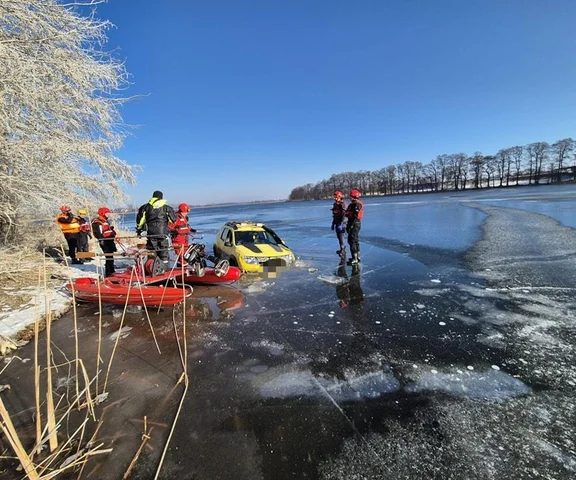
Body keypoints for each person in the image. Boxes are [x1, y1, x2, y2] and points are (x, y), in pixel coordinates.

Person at [135, 190, 176, 268]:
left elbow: (140, 221)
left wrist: (139, 230)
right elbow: (173, 220)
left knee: (152, 251)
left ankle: (152, 268)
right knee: (163, 251)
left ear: (153, 197)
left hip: (151, 233)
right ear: (161, 197)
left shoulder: (145, 207)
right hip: (163, 233)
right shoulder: (166, 208)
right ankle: (165, 269)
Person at [92, 207, 117, 277]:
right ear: (102, 213)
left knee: (111, 257)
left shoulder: (105, 221)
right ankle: (108, 273)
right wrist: (102, 240)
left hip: (109, 241)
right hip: (105, 242)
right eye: (107, 213)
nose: (108, 214)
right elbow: (99, 233)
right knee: (108, 257)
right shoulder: (97, 223)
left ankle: (112, 270)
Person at [345, 189, 364, 265]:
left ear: (354, 196)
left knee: (352, 240)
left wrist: (351, 225)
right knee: (355, 240)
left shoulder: (356, 204)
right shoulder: (352, 204)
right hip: (353, 223)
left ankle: (355, 258)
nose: (350, 197)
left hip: (354, 224)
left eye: (351, 196)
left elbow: (355, 216)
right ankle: (357, 257)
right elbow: (347, 213)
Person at [331, 190, 347, 257]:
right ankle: (342, 248)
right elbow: (335, 215)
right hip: (337, 222)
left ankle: (343, 250)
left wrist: (342, 223)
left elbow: (344, 214)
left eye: (336, 197)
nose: (335, 198)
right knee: (339, 236)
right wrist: (333, 223)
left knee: (341, 236)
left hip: (342, 223)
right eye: (334, 197)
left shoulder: (342, 204)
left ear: (339, 197)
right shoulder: (335, 204)